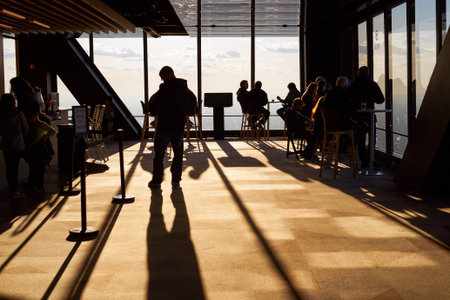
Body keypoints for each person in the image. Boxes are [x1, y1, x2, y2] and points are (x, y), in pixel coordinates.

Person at [148, 66, 190, 188]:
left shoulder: (164, 88)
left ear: (166, 75)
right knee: (178, 154)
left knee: (159, 154)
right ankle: (176, 179)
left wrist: (154, 110)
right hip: (178, 125)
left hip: (165, 125)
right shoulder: (184, 87)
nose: (162, 80)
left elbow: (154, 103)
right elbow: (192, 101)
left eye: (162, 77)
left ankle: (157, 180)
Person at [347, 66, 385, 168]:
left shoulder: (352, 85)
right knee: (372, 138)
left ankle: (363, 160)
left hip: (356, 117)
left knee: (361, 139)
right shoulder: (372, 84)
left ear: (358, 73)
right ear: (368, 73)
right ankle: (371, 158)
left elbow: (347, 99)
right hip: (369, 116)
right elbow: (381, 99)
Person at [0, 93, 29, 199]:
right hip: (18, 145)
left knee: (9, 169)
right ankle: (16, 191)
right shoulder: (18, 113)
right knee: (16, 168)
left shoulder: (1, 115)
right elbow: (26, 128)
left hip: (6, 146)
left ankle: (13, 189)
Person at [24, 111, 56, 193]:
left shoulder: (42, 125)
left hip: (39, 149)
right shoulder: (30, 126)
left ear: (36, 117)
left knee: (40, 168)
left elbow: (53, 131)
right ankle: (33, 184)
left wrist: (46, 136)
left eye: (31, 118)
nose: (30, 120)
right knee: (33, 167)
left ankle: (40, 186)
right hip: (32, 149)